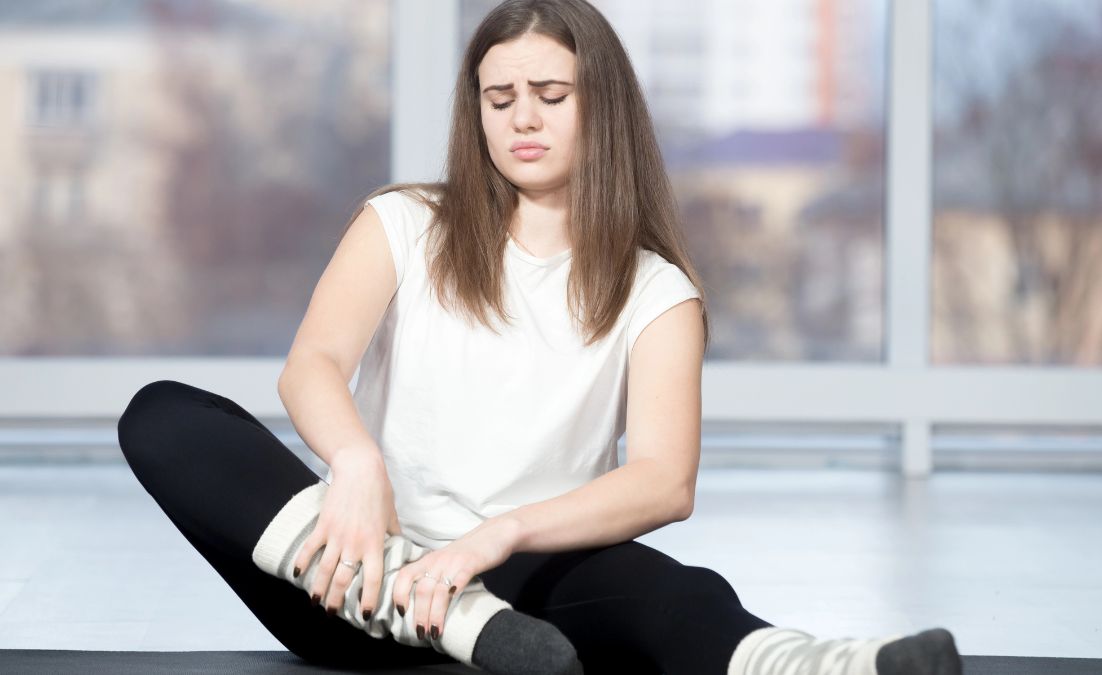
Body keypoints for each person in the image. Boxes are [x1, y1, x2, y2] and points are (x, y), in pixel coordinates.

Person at [117, 1, 964, 673]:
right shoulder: (403, 222)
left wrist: (499, 536)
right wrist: (355, 463)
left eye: (551, 96)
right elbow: (313, 364)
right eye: (499, 98)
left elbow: (665, 481)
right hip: (362, 582)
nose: (523, 117)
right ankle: (444, 621)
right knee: (164, 415)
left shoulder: (658, 291)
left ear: (602, 107)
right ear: (476, 111)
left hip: (524, 592)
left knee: (669, 592)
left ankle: (816, 664)